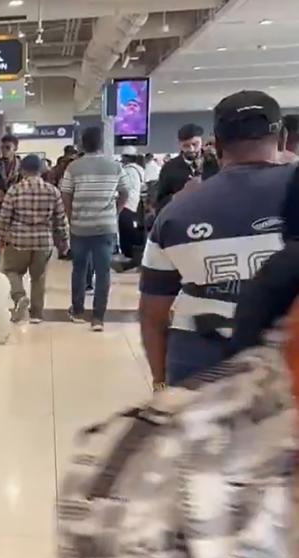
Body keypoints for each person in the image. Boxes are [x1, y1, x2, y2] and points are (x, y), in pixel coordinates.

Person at [40, 246, 299, 558]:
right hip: (210, 376)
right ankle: (89, 312)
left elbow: (153, 311)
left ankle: (83, 310)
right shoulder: (151, 458)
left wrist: (161, 382)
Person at [139, 90, 293, 389]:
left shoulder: (177, 212)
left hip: (198, 364)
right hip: (286, 366)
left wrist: (160, 383)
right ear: (283, 138)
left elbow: (152, 314)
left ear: (216, 144)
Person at [60, 126, 129, 332]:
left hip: (80, 226)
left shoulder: (73, 167)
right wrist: (114, 212)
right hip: (106, 226)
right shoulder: (115, 166)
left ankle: (78, 311)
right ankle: (98, 317)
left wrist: (71, 216)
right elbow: (125, 192)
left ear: (82, 144)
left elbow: (65, 194)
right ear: (102, 143)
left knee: (79, 269)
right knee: (103, 271)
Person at [0, 154, 69, 323]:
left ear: (22, 170)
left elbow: (4, 217)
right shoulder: (52, 191)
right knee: (38, 277)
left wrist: (0, 236)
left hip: (18, 240)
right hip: (43, 241)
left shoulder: (15, 190)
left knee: (11, 271)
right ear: (41, 170)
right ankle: (36, 314)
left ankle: (19, 297)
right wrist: (63, 240)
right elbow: (60, 219)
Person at [155, 123, 204, 209]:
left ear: (201, 142)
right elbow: (160, 203)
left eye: (195, 144)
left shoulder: (215, 163)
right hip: (183, 213)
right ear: (179, 145)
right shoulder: (169, 168)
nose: (191, 149)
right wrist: (181, 195)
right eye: (186, 146)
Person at [0, 134, 21, 231]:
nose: (4, 150)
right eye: (2, 147)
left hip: (15, 207)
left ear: (15, 148)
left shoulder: (21, 165)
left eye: (8, 147)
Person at [118, 146, 146, 263]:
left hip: (126, 203)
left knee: (125, 229)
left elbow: (125, 188)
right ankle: (133, 254)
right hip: (135, 202)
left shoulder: (128, 170)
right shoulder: (140, 169)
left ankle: (127, 255)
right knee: (131, 229)